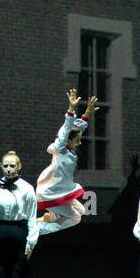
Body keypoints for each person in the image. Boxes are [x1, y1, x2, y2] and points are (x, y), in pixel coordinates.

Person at [36, 88, 98, 234]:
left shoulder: (70, 149)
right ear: (68, 141)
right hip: (51, 193)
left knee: (82, 210)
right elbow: (66, 130)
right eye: (77, 141)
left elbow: (77, 130)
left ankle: (50, 218)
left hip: (62, 190)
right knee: (76, 218)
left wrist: (87, 113)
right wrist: (71, 108)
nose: (80, 143)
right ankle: (36, 229)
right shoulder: (61, 149)